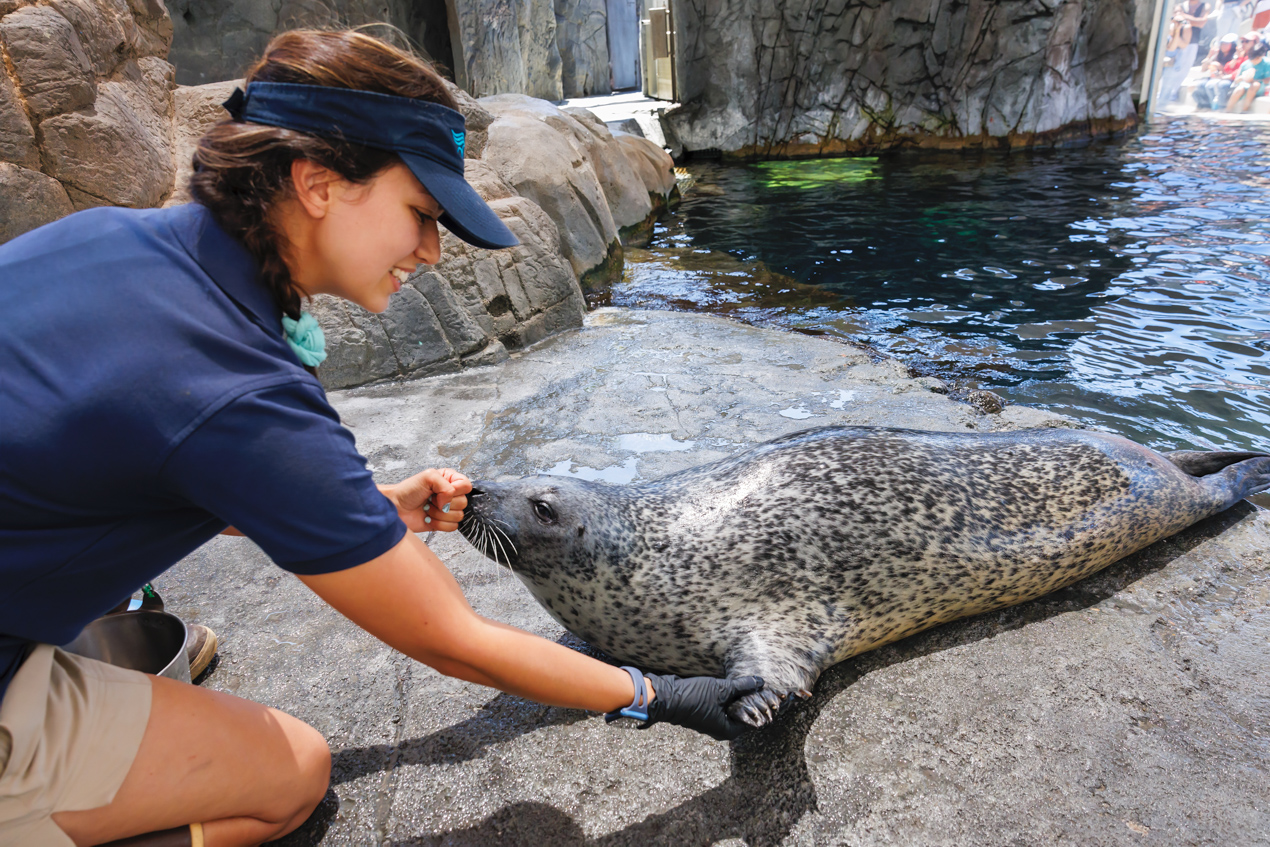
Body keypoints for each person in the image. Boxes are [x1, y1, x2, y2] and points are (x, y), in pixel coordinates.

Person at [0, 29, 765, 847]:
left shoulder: (109, 236)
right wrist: (650, 693)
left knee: (160, 658)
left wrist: (372, 510)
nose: (432, 251)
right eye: (421, 214)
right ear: (319, 182)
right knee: (291, 776)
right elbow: (454, 642)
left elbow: (170, 456)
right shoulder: (240, 387)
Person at [1194, 32, 1249, 108]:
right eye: (1222, 44)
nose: (1223, 46)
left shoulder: (1237, 55)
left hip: (1228, 78)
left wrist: (1220, 68)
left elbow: (1229, 70)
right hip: (1219, 77)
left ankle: (1220, 106)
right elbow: (1203, 69)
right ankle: (1205, 105)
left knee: (1214, 86)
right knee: (1201, 85)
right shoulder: (1219, 54)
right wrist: (1210, 56)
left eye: (1226, 44)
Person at [1225, 38, 1270, 110]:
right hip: (1245, 84)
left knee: (1254, 85)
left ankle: (1245, 109)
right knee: (1239, 89)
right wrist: (1243, 77)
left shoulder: (1267, 63)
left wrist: (1254, 80)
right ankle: (1228, 110)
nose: (1253, 61)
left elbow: (1268, 80)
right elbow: (1237, 79)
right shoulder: (1245, 64)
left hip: (1261, 86)